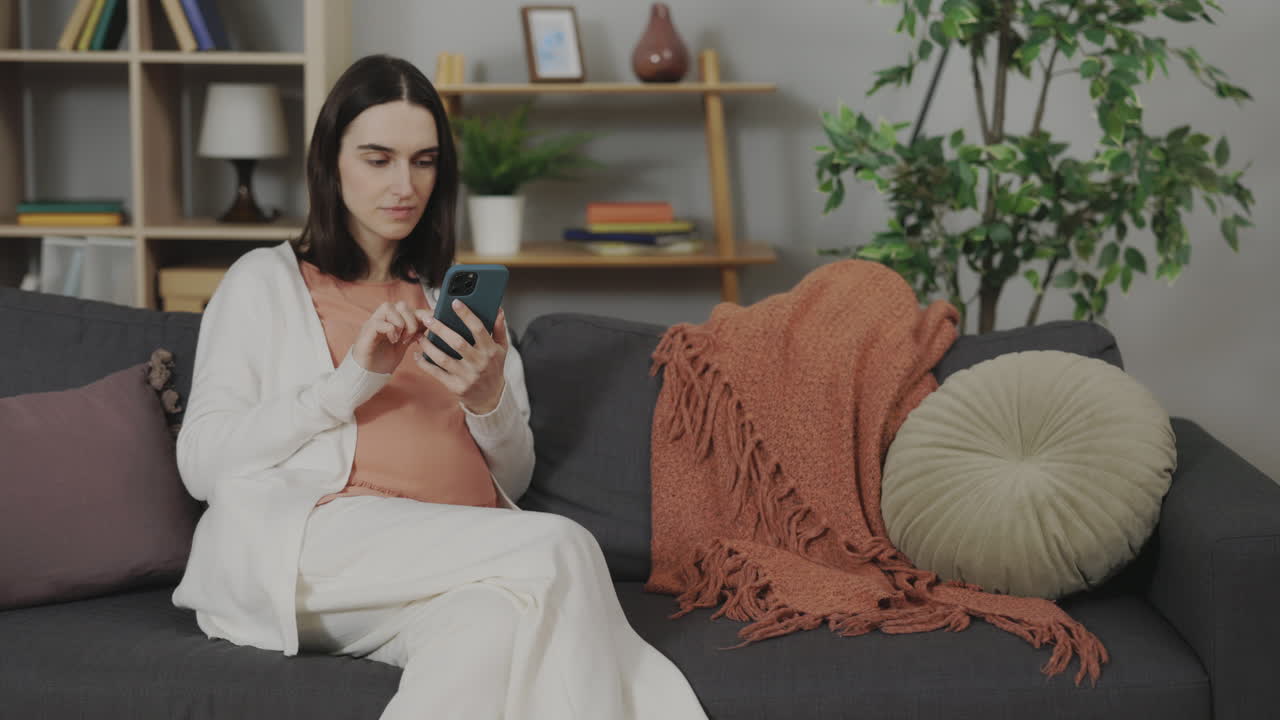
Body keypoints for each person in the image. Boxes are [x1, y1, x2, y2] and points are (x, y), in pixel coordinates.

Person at [172, 54, 706, 720]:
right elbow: (201, 465)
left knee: (495, 627)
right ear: (330, 162)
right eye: (378, 158)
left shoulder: (451, 300)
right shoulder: (264, 282)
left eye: (423, 161)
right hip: (317, 549)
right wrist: (350, 383)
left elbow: (509, 480)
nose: (404, 185)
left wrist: (488, 400)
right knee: (562, 544)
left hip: (455, 562)